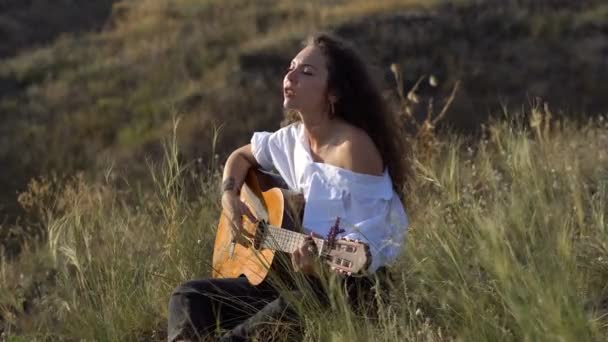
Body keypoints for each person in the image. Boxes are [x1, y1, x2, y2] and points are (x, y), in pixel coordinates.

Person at [167, 33, 412, 341]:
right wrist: (229, 198)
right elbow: (240, 157)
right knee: (189, 295)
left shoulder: (353, 148)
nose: (291, 76)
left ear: (333, 93)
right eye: (291, 67)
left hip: (346, 286)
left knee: (263, 322)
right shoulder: (292, 139)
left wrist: (321, 266)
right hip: (291, 276)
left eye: (306, 72)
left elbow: (376, 240)